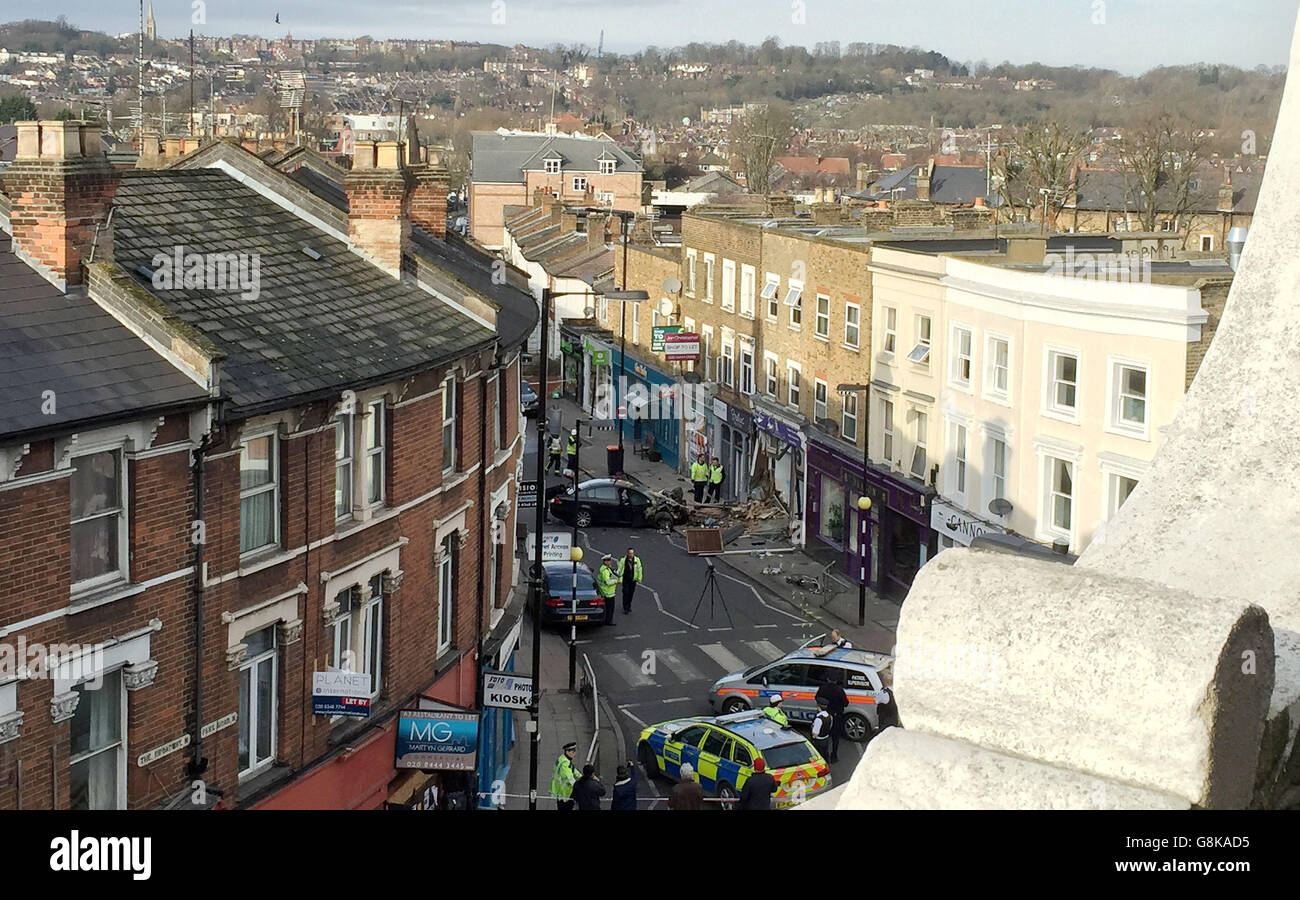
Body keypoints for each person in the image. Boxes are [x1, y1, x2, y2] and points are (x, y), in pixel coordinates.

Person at [815, 670, 849, 763]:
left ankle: (823, 757)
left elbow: (816, 698)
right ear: (836, 681)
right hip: (836, 716)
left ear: (827, 679)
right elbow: (846, 703)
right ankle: (834, 756)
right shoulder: (839, 690)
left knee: (824, 736)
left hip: (824, 716)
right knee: (835, 737)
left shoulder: (822, 688)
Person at [551, 742, 580, 811]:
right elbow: (570, 779)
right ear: (567, 752)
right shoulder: (565, 764)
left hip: (560, 790)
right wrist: (579, 786)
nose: (574, 753)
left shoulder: (562, 758)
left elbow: (573, 770)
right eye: (573, 752)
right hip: (565, 792)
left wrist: (582, 777)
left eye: (575, 751)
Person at [617, 547, 643, 615]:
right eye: (630, 553)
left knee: (631, 594)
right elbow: (619, 570)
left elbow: (639, 569)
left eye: (632, 553)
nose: (631, 554)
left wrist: (639, 578)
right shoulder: (623, 560)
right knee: (625, 593)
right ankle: (625, 608)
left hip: (633, 580)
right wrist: (619, 579)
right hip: (625, 579)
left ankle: (629, 605)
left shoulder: (637, 560)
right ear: (627, 553)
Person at [596, 553, 619, 625]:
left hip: (607, 592)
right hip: (608, 593)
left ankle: (607, 620)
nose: (610, 562)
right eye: (608, 560)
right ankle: (608, 621)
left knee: (607, 608)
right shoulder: (605, 571)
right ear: (604, 561)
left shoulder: (607, 568)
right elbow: (608, 582)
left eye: (610, 560)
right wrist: (616, 581)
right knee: (610, 609)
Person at [810, 696, 834, 762]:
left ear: (818, 707)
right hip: (826, 738)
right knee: (825, 754)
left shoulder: (818, 719)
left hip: (819, 741)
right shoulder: (830, 716)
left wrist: (813, 739)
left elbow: (815, 734)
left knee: (818, 757)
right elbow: (830, 727)